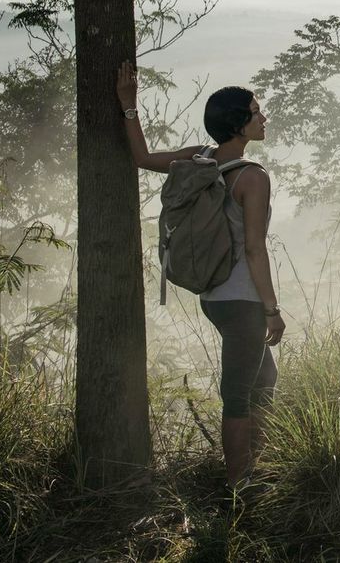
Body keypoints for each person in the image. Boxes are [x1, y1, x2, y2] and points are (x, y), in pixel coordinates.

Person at [116, 61, 284, 489]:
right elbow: (254, 249)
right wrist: (271, 309)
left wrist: (128, 106)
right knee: (239, 394)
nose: (263, 118)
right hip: (243, 300)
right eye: (256, 112)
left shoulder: (200, 159)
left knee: (265, 378)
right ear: (240, 123)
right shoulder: (252, 178)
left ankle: (256, 466)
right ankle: (238, 483)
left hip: (212, 296)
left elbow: (142, 158)